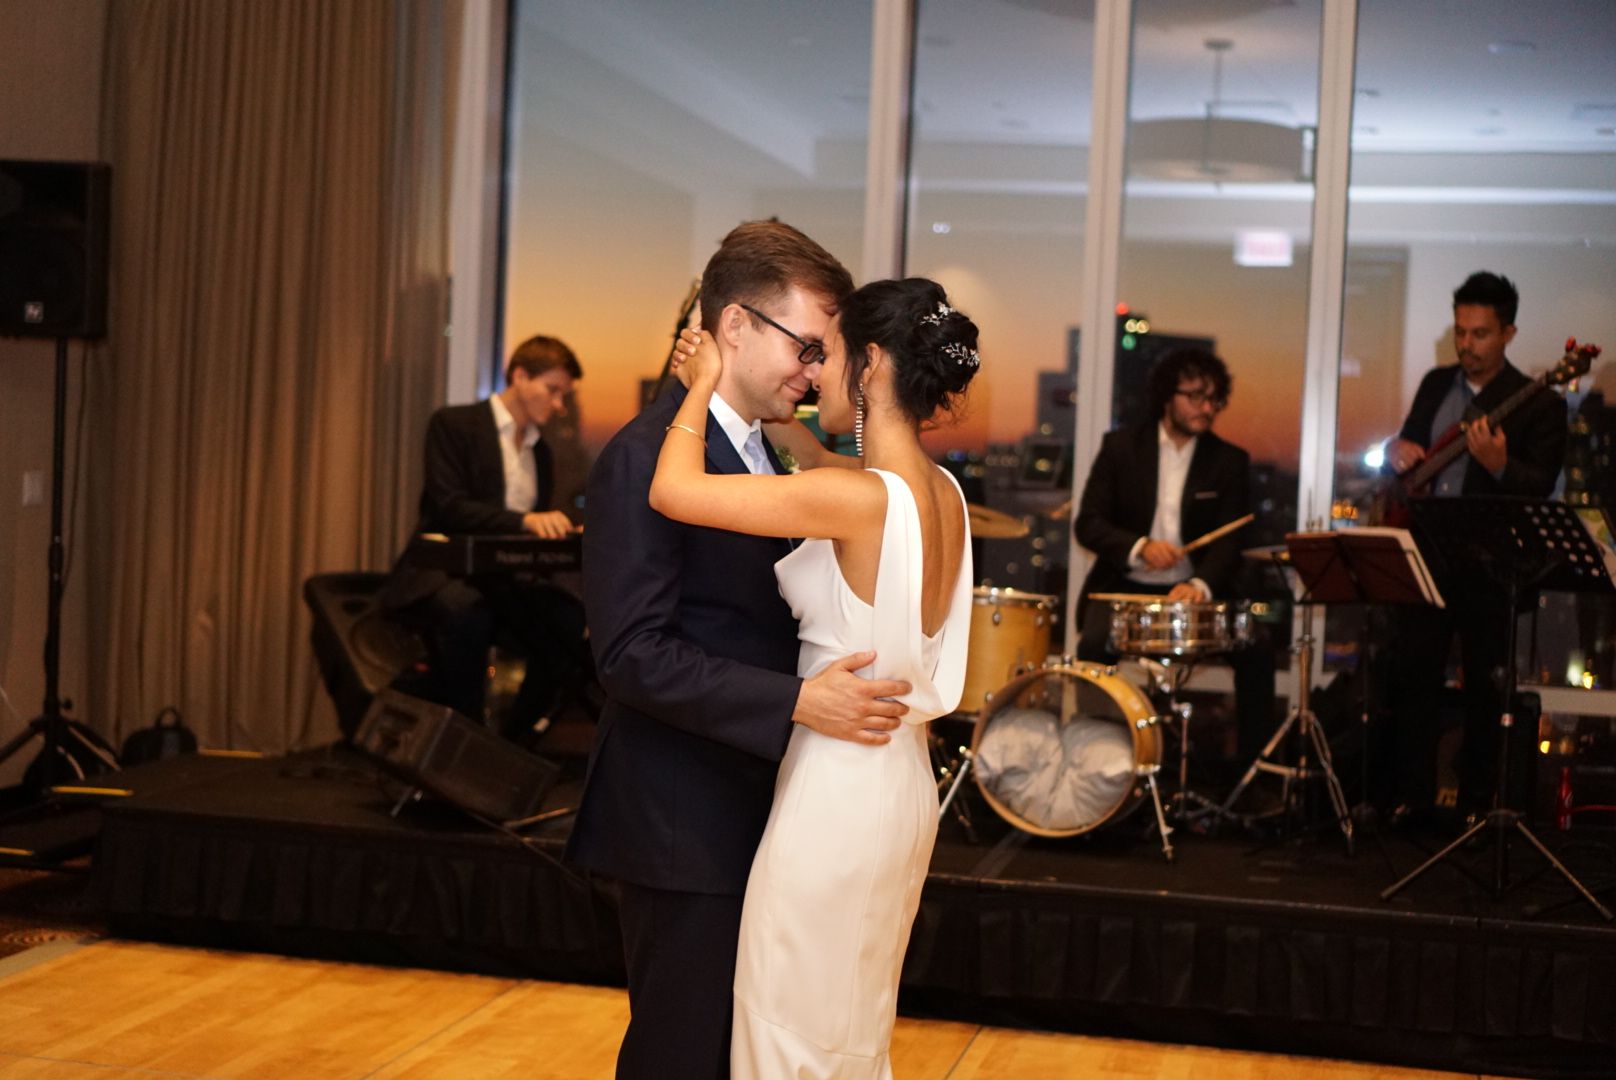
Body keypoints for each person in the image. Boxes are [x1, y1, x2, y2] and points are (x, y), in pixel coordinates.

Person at [564, 221, 919, 1080]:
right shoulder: (644, 457)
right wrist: (799, 702)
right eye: (806, 346)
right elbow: (631, 653)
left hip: (761, 802)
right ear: (733, 326)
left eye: (824, 353)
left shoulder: (768, 450)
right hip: (682, 816)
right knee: (683, 1054)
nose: (816, 371)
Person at [657, 276, 979, 1078]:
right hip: (899, 782)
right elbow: (830, 463)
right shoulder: (941, 492)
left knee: (787, 1029)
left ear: (871, 364)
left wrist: (699, 386)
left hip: (837, 790)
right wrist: (782, 422)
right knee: (846, 1028)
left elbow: (673, 491)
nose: (811, 375)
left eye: (825, 356)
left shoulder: (852, 498)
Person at [1378, 271, 1567, 824]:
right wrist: (1395, 450)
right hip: (1426, 554)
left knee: (1487, 689)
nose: (1467, 344)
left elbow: (1541, 485)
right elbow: (1409, 453)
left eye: (1480, 333)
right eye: (1460, 331)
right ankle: (1411, 804)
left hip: (1491, 567)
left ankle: (1478, 810)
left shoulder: (1539, 403)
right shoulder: (1436, 384)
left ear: (1508, 333)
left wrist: (1500, 465)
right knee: (1414, 678)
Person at [1072, 347, 1273, 764]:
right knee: (1093, 646)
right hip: (1125, 586)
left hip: (1195, 590)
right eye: (1195, 396)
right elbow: (1088, 523)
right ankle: (1096, 764)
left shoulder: (1229, 460)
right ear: (1167, 395)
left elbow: (1231, 542)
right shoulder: (1121, 447)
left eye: (1214, 399)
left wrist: (1201, 584)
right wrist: (1140, 547)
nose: (1207, 408)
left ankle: (1253, 776)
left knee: (1257, 649)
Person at [380, 335, 586, 739]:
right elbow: (449, 506)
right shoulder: (454, 425)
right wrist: (526, 522)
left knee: (568, 624)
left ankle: (516, 743)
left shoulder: (540, 452)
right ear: (520, 376)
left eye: (563, 394)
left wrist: (560, 531)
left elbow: (528, 530)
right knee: (467, 615)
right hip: (446, 575)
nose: (559, 404)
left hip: (507, 581)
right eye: (552, 390)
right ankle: (464, 743)